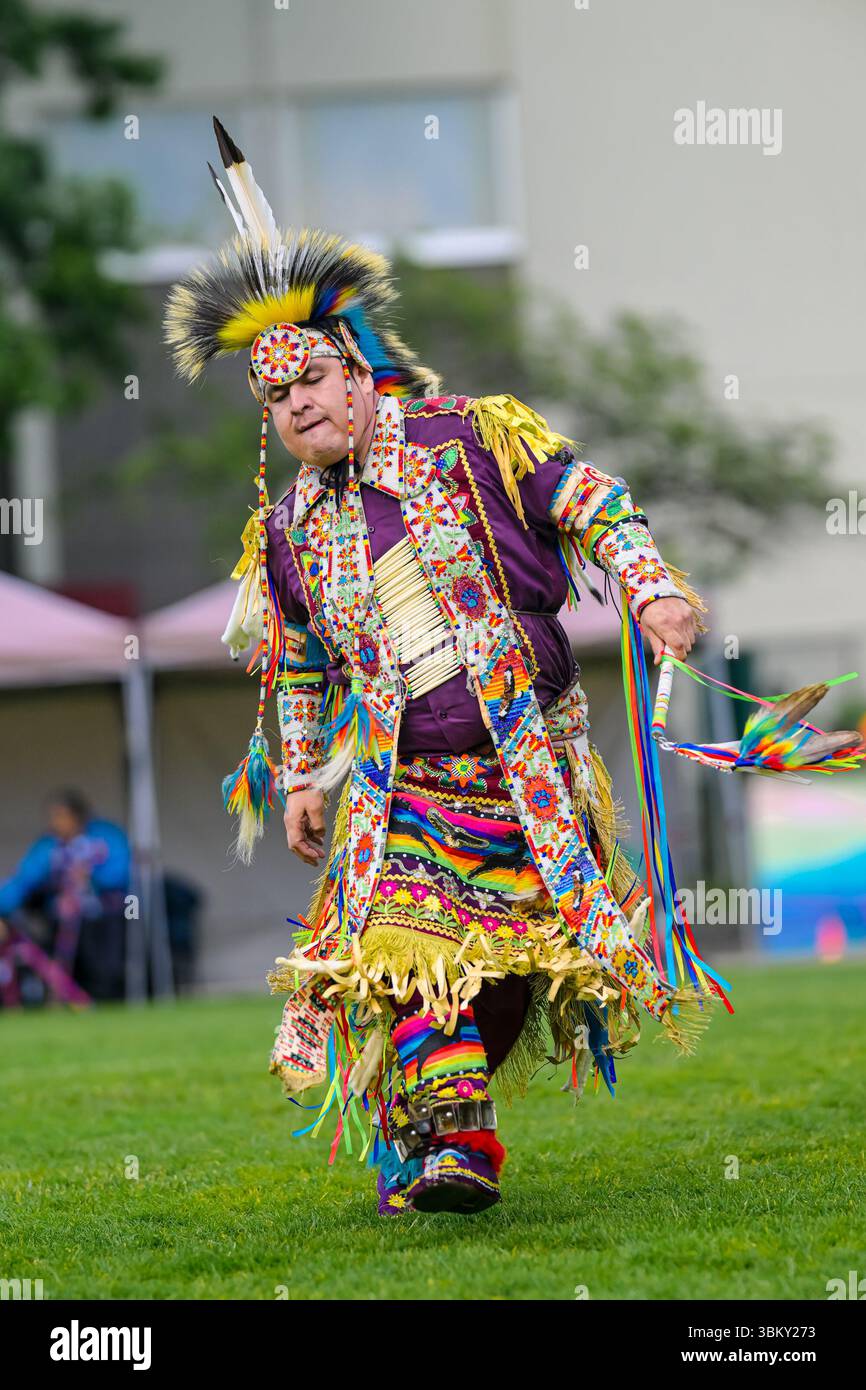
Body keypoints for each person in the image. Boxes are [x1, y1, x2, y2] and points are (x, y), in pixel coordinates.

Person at [164, 117, 723, 1217]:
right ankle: (460, 1148)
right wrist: (299, 778)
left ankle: (432, 1137)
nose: (300, 404)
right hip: (403, 784)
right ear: (267, 415)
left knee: (509, 971)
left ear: (357, 373)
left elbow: (587, 498)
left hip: (528, 769)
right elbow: (294, 669)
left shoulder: (467, 437)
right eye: (278, 398)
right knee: (399, 944)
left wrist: (650, 582)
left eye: (314, 379)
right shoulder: (285, 530)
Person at [0, 790, 130, 1002]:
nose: (55, 822)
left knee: (107, 968)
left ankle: (108, 1000)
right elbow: (23, 879)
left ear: (76, 816)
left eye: (60, 816)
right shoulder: (49, 845)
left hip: (107, 914)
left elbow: (124, 872)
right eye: (52, 816)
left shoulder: (105, 837)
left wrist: (93, 875)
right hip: (63, 917)